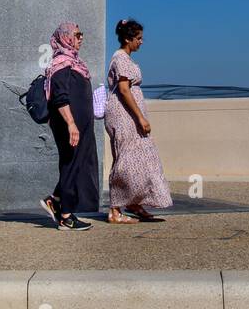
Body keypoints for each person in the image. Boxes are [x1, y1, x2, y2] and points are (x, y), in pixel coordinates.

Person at [104, 18, 172, 223]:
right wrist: (140, 117)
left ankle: (134, 202)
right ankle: (115, 210)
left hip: (129, 114)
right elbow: (124, 90)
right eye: (139, 38)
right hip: (124, 115)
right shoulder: (121, 59)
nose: (141, 42)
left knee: (141, 159)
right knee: (125, 160)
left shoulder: (127, 58)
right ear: (127, 38)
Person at [39, 22, 100, 230]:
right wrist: (71, 124)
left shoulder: (74, 62)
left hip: (80, 125)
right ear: (65, 37)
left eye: (81, 34)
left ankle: (55, 200)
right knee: (71, 163)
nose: (81, 38)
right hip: (69, 125)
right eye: (77, 34)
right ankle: (65, 216)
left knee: (77, 163)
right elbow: (60, 97)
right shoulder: (61, 63)